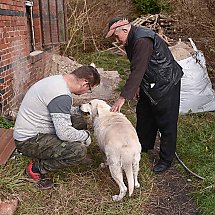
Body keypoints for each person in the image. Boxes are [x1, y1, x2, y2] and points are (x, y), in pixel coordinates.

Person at [105, 17, 183, 173]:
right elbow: (139, 65)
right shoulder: (130, 40)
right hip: (150, 81)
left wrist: (123, 98)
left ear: (125, 30)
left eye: (116, 35)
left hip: (165, 81)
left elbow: (138, 70)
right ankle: (144, 145)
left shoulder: (142, 40)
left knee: (166, 121)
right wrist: (140, 85)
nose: (116, 39)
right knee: (144, 113)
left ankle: (166, 159)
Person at [13, 65, 100, 189]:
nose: (87, 92)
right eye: (89, 89)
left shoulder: (57, 81)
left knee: (78, 120)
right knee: (78, 151)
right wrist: (85, 135)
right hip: (29, 141)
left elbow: (60, 110)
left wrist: (80, 111)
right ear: (85, 83)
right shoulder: (61, 95)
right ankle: (35, 169)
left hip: (32, 131)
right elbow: (64, 133)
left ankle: (54, 151)